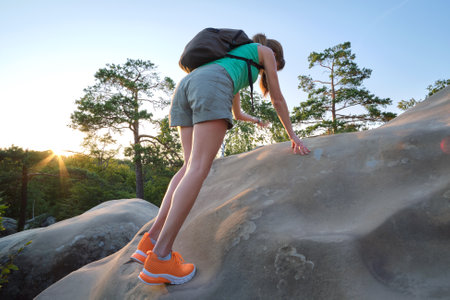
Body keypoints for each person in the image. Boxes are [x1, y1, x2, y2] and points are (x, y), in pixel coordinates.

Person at [131, 33, 311, 285]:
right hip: (211, 86)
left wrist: (256, 120)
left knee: (188, 167)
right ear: (277, 57)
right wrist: (293, 136)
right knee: (199, 169)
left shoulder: (233, 57)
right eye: (276, 68)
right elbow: (277, 98)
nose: (270, 73)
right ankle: (160, 258)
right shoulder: (264, 52)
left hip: (187, 86)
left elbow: (236, 112)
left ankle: (148, 242)